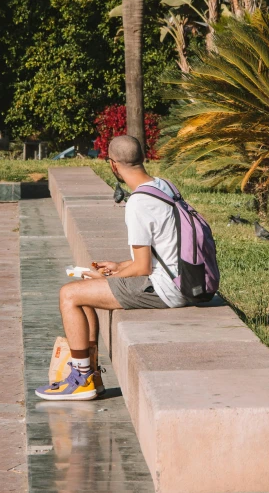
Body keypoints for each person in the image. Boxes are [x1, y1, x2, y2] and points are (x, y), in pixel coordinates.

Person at [35, 134, 189, 401]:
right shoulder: (164, 186)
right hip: (182, 278)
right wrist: (118, 268)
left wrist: (111, 277)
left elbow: (142, 269)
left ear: (112, 165)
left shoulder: (139, 203)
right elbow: (162, 250)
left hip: (165, 289)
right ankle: (91, 375)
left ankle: (81, 378)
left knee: (69, 295)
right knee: (83, 294)